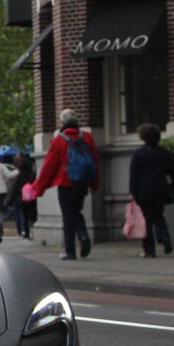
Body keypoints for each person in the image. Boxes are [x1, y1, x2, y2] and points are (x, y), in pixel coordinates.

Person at [32, 109, 101, 260]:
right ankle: (83, 235)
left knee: (68, 215)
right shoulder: (87, 137)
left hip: (65, 181)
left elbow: (49, 166)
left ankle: (70, 251)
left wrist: (38, 188)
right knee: (77, 210)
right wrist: (94, 183)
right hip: (82, 181)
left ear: (62, 122)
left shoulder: (59, 139)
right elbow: (94, 161)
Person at [129, 122, 174, 258]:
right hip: (161, 188)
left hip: (144, 190)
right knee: (158, 215)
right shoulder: (164, 153)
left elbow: (134, 175)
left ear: (143, 137)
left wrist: (132, 192)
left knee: (146, 220)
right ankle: (164, 236)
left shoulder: (138, 154)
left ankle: (149, 250)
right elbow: (172, 171)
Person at [11, 153, 38, 240]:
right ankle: (35, 231)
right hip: (33, 197)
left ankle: (26, 233)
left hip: (23, 197)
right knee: (33, 215)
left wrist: (9, 201)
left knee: (25, 215)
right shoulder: (33, 174)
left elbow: (14, 188)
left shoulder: (20, 175)